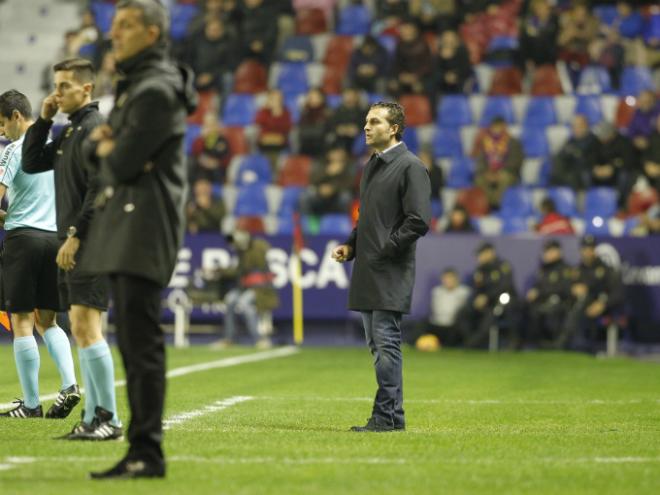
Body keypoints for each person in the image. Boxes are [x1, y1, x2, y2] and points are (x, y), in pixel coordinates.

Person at [79, 0, 197, 479]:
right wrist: (104, 144)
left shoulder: (154, 90)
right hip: (131, 222)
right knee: (131, 340)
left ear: (152, 33)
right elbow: (101, 152)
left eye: (127, 26)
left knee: (141, 343)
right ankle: (139, 449)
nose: (115, 33)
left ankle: (148, 451)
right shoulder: (139, 87)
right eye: (114, 24)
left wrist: (109, 145)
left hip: (143, 226)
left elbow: (121, 162)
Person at [22, 58, 122, 440]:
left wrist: (77, 234)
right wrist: (43, 120)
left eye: (64, 86)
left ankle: (107, 419)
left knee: (85, 328)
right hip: (75, 243)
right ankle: (94, 417)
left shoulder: (94, 129)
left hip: (90, 243)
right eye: (55, 85)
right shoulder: (68, 132)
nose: (57, 92)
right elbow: (32, 164)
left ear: (87, 89)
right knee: (82, 330)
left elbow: (100, 188)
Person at [332, 101, 432, 432]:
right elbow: (368, 219)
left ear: (393, 129)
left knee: (386, 343)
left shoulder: (410, 167)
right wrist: (352, 245)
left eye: (374, 121)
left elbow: (418, 221)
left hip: (389, 269)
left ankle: (386, 417)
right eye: (365, 121)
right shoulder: (373, 165)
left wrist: (385, 249)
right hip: (370, 268)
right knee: (378, 346)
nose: (366, 126)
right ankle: (392, 417)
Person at [0, 90, 80, 419]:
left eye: (3, 123)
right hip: (54, 240)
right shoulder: (55, 149)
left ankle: (31, 404)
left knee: (21, 322)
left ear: (17, 116)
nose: (2, 132)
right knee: (48, 321)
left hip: (23, 240)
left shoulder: (14, 151)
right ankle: (70, 385)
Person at [212, 229, 279, 349]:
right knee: (230, 300)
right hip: (245, 287)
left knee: (244, 303)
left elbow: (251, 267)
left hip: (260, 289)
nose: (233, 245)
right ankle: (229, 338)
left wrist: (245, 250)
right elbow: (239, 271)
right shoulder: (242, 253)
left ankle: (260, 339)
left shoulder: (256, 248)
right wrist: (220, 271)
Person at [561, 235, 624, 350]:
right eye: (585, 249)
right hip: (579, 306)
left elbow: (617, 293)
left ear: (595, 250)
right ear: (580, 250)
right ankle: (568, 343)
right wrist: (573, 289)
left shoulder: (606, 270)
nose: (588, 252)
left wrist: (603, 304)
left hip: (600, 306)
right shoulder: (577, 270)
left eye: (591, 248)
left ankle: (575, 345)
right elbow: (565, 287)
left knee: (584, 306)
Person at [462, 242, 519, 348]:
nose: (479, 258)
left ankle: (473, 344)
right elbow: (478, 289)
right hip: (485, 303)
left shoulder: (503, 266)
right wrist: (477, 298)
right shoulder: (480, 270)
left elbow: (505, 286)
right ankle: (466, 339)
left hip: (501, 301)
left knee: (492, 316)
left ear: (490, 253)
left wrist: (487, 297)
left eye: (481, 254)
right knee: (463, 312)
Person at [524, 240, 574, 348]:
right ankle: (529, 342)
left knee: (550, 312)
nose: (547, 254)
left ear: (558, 252)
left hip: (560, 303)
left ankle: (553, 343)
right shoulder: (542, 270)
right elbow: (536, 285)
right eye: (546, 251)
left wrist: (540, 293)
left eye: (550, 251)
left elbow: (564, 289)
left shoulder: (565, 269)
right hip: (540, 303)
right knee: (524, 307)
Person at [408, 268, 470, 348]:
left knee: (462, 326)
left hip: (453, 325)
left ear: (456, 279)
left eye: (450, 278)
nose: (448, 281)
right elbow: (435, 310)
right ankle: (410, 344)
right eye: (446, 278)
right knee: (421, 323)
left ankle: (459, 346)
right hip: (437, 324)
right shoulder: (437, 291)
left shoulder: (464, 292)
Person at [472, 116, 524, 209]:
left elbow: (515, 161)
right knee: (479, 179)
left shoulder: (513, 142)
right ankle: (489, 203)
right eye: (495, 127)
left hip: (507, 172)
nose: (497, 130)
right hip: (488, 172)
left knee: (504, 178)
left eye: (500, 127)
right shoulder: (486, 142)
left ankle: (496, 204)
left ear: (505, 127)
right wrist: (486, 172)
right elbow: (481, 160)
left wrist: (499, 173)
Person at [550, 114, 598, 190]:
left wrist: (576, 154)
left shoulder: (593, 141)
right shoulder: (571, 141)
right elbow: (562, 155)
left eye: (578, 126)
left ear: (585, 126)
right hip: (569, 171)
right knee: (555, 164)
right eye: (574, 127)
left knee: (574, 178)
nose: (575, 129)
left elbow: (589, 160)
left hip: (583, 173)